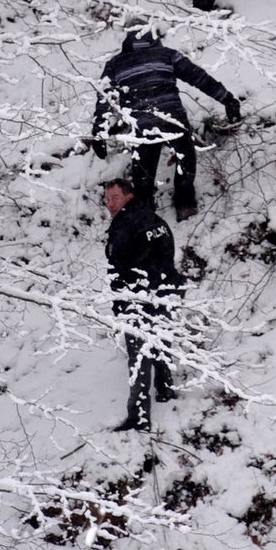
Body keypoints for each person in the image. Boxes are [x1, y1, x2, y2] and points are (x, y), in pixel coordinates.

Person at [91, 22, 241, 220]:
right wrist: (227, 99)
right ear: (153, 35)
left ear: (128, 37)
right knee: (185, 158)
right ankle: (185, 204)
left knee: (143, 171)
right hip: (173, 119)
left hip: (142, 125)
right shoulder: (167, 55)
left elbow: (105, 98)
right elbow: (199, 78)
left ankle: (145, 214)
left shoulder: (115, 64)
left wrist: (99, 132)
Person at [104, 178, 182, 433]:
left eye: (114, 198)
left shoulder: (125, 226)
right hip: (165, 294)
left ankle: (139, 416)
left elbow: (120, 269)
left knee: (138, 359)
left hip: (138, 300)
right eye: (107, 199)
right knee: (160, 342)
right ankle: (166, 390)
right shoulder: (155, 220)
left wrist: (122, 302)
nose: (109, 204)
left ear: (129, 195)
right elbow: (167, 255)